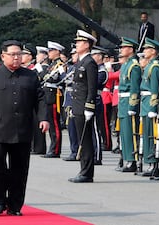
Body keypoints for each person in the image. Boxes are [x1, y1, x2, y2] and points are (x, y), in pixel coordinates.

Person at [0, 40, 49, 214]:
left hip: (22, 129)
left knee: (20, 169)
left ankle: (15, 205)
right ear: (3, 56)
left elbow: (40, 98)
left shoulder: (30, 76)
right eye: (12, 54)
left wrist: (43, 118)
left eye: (19, 54)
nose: (16, 58)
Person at [68, 29, 98, 183]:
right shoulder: (81, 62)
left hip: (84, 107)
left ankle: (87, 173)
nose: (77, 44)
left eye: (79, 42)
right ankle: (83, 170)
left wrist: (89, 107)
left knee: (85, 141)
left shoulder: (90, 63)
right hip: (77, 105)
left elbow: (92, 87)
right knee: (81, 139)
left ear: (87, 45)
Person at [139, 38, 159, 178]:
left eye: (147, 49)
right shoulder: (149, 66)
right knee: (146, 134)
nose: (144, 51)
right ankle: (149, 161)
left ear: (153, 51)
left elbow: (155, 89)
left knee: (151, 135)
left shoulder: (154, 67)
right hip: (144, 102)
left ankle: (153, 163)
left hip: (150, 104)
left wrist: (153, 108)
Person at [118, 37, 141, 172]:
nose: (121, 50)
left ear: (131, 49)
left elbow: (134, 88)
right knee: (124, 133)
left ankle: (132, 160)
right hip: (122, 101)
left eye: (124, 47)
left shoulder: (134, 66)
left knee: (130, 132)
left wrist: (133, 106)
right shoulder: (126, 64)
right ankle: (127, 159)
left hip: (128, 102)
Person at [41, 41, 65, 158]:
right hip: (48, 96)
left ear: (57, 52)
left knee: (55, 124)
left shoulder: (60, 64)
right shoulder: (52, 65)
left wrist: (60, 72)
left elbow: (61, 79)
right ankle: (52, 147)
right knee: (51, 124)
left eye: (51, 50)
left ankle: (55, 149)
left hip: (54, 96)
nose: (49, 53)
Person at [91, 46, 109, 165]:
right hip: (91, 99)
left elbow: (95, 83)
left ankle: (97, 156)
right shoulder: (95, 69)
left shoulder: (102, 71)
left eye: (94, 55)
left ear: (99, 56)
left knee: (96, 129)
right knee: (90, 129)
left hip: (97, 99)